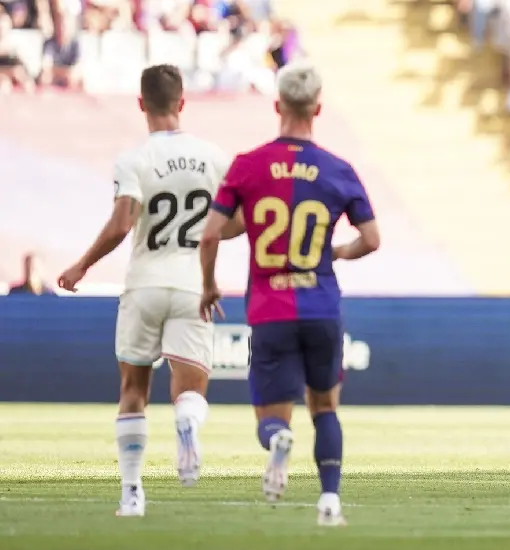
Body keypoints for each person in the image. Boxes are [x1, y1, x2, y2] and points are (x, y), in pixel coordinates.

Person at [198, 60, 380, 527]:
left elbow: (212, 234)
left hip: (269, 308)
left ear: (278, 105)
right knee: (325, 409)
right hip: (320, 305)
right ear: (317, 108)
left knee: (271, 416)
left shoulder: (248, 166)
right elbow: (372, 240)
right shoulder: (338, 170)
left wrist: (209, 285)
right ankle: (330, 503)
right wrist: (335, 252)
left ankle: (278, 439)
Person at [56, 64, 236, 517]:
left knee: (133, 389)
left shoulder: (134, 159)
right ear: (182, 102)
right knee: (191, 387)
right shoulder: (213, 157)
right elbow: (237, 222)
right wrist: (205, 238)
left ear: (141, 104)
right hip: (193, 285)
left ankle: (132, 494)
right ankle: (187, 424)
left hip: (144, 285)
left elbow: (122, 223)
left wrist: (82, 265)